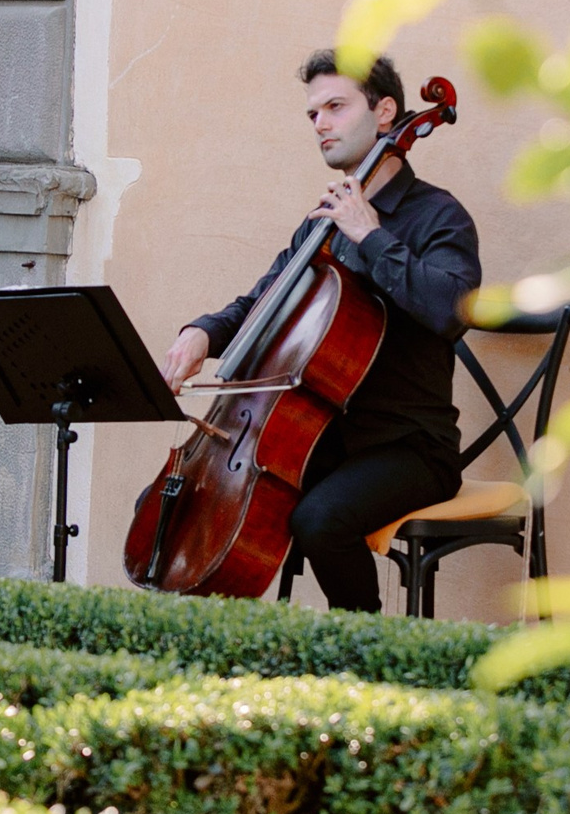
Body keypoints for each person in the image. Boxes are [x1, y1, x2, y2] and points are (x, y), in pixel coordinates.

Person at [160, 51, 482, 612]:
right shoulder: (322, 221)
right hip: (324, 437)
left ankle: (364, 655)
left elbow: (452, 310)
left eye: (336, 107)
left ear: (386, 113)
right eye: (313, 114)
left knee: (320, 518)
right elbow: (263, 300)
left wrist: (371, 236)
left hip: (410, 448)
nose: (321, 125)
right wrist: (203, 335)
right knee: (230, 496)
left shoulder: (438, 216)